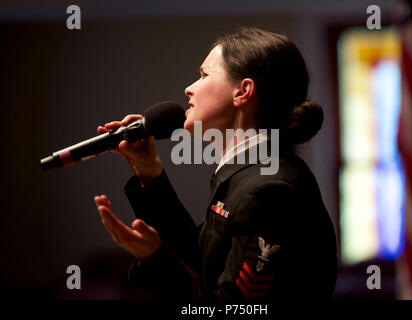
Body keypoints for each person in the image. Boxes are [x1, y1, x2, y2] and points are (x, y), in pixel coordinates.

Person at [94, 27, 337, 304]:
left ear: (242, 91)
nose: (189, 88)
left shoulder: (270, 188)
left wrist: (154, 260)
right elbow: (201, 259)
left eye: (204, 75)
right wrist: (149, 173)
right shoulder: (246, 174)